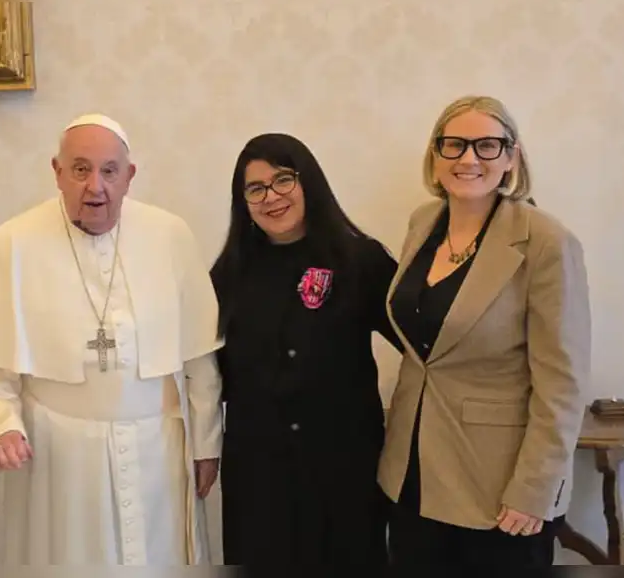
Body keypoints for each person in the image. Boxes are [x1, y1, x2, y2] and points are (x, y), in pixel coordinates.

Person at [0, 113, 223, 565]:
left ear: (129, 177)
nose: (95, 186)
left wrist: (207, 444)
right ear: (56, 172)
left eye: (109, 171)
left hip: (159, 451)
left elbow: (199, 360)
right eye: (80, 169)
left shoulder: (170, 236)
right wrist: (1, 427)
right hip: (60, 457)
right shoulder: (10, 244)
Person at [378, 95, 591, 566]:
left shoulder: (546, 242)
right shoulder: (422, 223)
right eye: (453, 145)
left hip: (496, 485)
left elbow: (563, 383)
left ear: (511, 157)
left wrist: (534, 489)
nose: (469, 158)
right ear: (435, 157)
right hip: (411, 469)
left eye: (487, 145)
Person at [209, 133, 402, 567]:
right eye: (255, 188)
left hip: (344, 468)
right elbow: (206, 375)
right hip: (260, 475)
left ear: (308, 181)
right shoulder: (227, 276)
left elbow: (423, 349)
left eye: (282, 180)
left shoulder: (361, 261)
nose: (271, 197)